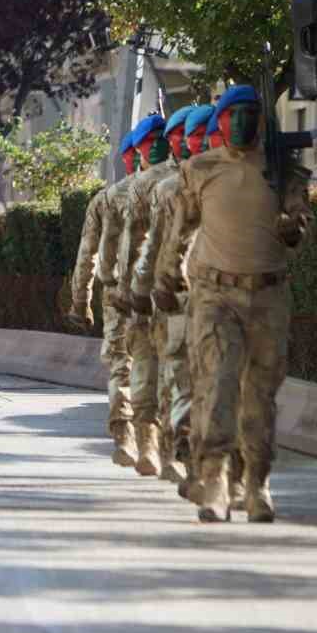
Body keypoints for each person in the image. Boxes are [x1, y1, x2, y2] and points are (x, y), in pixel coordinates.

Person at [156, 85, 313, 523]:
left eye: (250, 113)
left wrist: (292, 228)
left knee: (259, 395)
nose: (242, 121)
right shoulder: (199, 170)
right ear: (220, 122)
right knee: (218, 384)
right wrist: (167, 273)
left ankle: (257, 482)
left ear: (262, 121)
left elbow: (300, 223)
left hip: (267, 295)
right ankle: (215, 480)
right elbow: (180, 229)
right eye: (233, 114)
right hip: (214, 295)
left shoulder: (283, 172)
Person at [131, 104, 209, 490]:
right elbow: (154, 242)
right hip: (178, 296)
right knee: (178, 377)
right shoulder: (168, 188)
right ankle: (177, 451)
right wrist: (145, 289)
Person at [68, 131, 139, 466]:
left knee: (122, 367)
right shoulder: (178, 187)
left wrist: (80, 303)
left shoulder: (106, 200)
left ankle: (126, 434)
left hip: (118, 295)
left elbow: (87, 256)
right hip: (165, 295)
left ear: (126, 159)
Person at [110, 113, 174, 478]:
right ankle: (138, 441)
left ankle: (159, 448)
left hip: (171, 290)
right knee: (139, 368)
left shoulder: (189, 182)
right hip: (142, 291)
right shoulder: (127, 192)